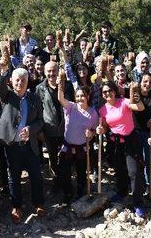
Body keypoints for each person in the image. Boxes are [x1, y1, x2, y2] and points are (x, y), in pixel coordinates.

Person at [0, 60, 46, 224]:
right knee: (14, 177)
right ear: (12, 82)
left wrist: (31, 129)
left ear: (27, 81)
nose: (20, 83)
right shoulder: (7, 96)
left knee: (36, 175)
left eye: (23, 80)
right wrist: (4, 72)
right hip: (12, 145)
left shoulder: (34, 98)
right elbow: (1, 87)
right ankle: (16, 206)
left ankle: (38, 203)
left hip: (29, 145)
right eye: (17, 80)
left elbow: (40, 121)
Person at [96, 81, 145, 217]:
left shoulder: (124, 101)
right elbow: (105, 127)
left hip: (130, 141)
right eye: (104, 92)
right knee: (120, 170)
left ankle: (138, 202)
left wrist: (137, 97)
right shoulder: (102, 110)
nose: (107, 94)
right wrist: (101, 129)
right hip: (115, 143)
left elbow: (140, 108)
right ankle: (122, 192)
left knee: (134, 172)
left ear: (114, 91)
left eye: (109, 91)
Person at [57, 73, 98, 203]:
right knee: (65, 173)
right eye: (78, 96)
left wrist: (91, 133)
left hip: (82, 148)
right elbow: (60, 98)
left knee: (81, 173)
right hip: (67, 147)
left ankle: (81, 192)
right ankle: (68, 194)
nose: (80, 98)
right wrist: (60, 85)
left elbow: (95, 130)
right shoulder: (71, 107)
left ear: (88, 97)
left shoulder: (93, 113)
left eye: (82, 96)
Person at [36, 61, 74, 193]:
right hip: (49, 129)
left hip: (66, 128)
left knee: (66, 156)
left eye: (54, 71)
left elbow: (73, 105)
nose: (52, 74)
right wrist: (40, 130)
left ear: (58, 71)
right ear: (44, 72)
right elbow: (38, 111)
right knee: (52, 158)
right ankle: (56, 181)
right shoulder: (40, 88)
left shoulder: (67, 86)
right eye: (49, 71)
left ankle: (67, 182)